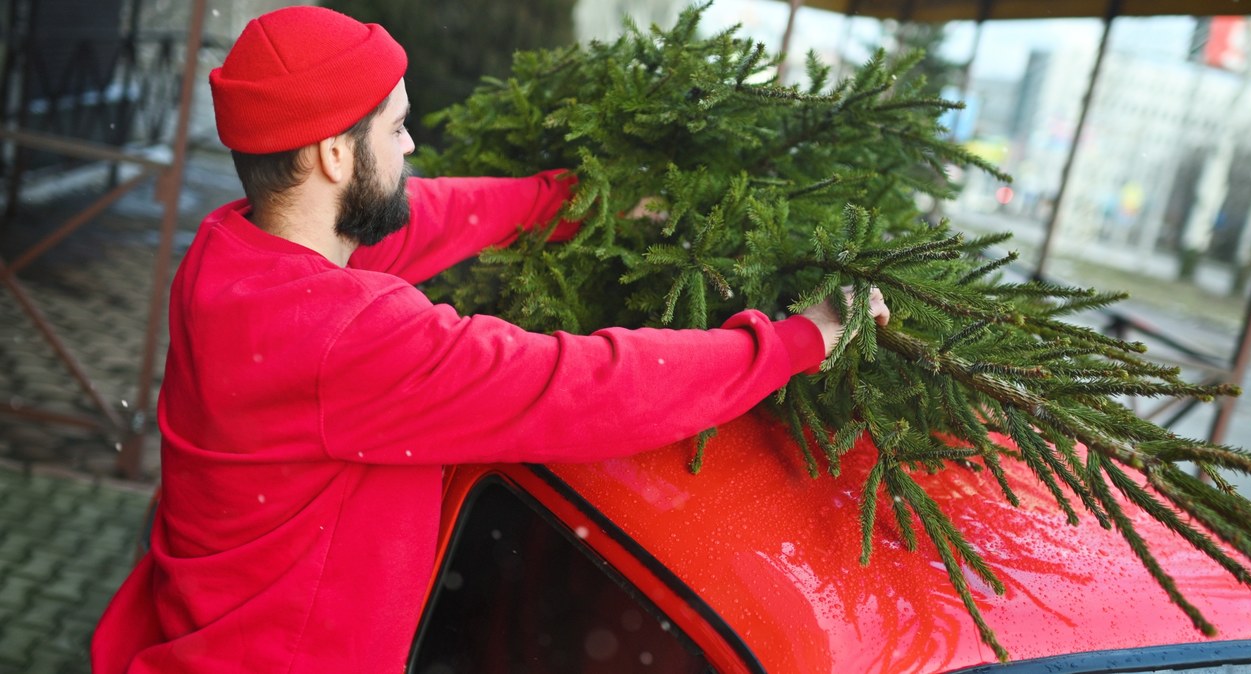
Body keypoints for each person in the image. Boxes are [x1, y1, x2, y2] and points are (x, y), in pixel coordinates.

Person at [90, 6, 889, 673]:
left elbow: (425, 216)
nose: (410, 147)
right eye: (396, 128)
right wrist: (795, 340)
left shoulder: (231, 255)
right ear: (334, 153)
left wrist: (562, 201)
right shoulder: (350, 338)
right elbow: (585, 384)